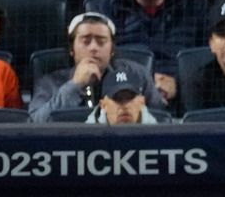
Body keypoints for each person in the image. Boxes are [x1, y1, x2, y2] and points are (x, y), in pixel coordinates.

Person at [29, 12, 165, 123]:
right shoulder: (49, 82)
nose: (93, 48)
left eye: (101, 41)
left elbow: (161, 118)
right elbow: (35, 122)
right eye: (86, 41)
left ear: (112, 49)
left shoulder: (136, 74)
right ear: (72, 49)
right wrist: (75, 85)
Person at [81, 0, 209, 108]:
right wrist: (145, 83)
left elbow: (206, 61)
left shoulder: (195, 6)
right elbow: (98, 64)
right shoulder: (105, 8)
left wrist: (179, 83)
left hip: (180, 103)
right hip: (121, 98)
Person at [85, 66, 158, 123]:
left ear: (142, 102)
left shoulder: (158, 136)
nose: (125, 106)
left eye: (130, 98)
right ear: (103, 105)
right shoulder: (86, 138)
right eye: (117, 98)